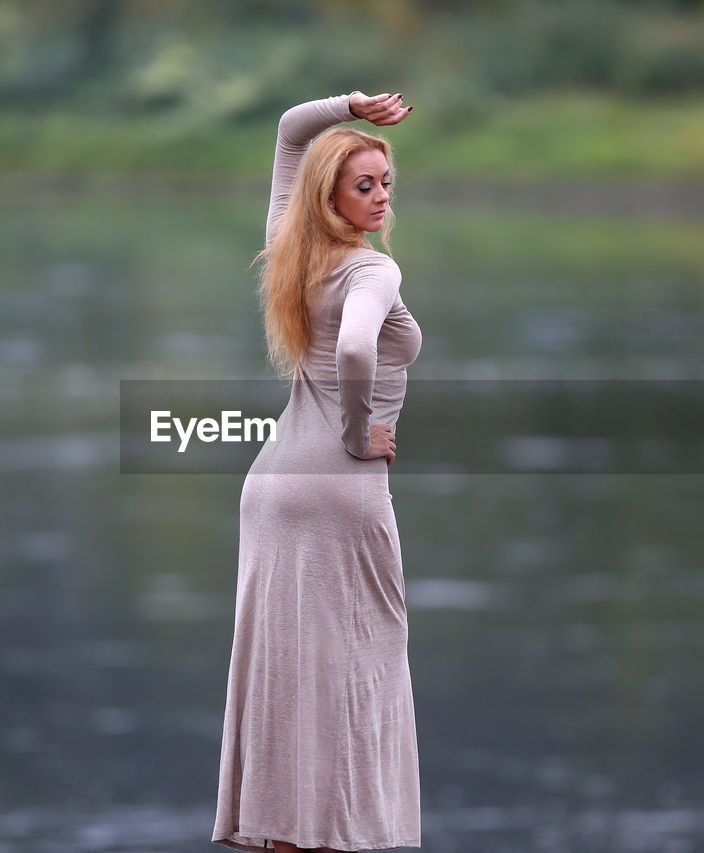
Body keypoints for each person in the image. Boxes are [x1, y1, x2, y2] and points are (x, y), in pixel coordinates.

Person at [212, 90, 422, 853]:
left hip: (270, 488)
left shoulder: (288, 246)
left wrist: (348, 107)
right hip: (339, 487)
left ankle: (285, 839)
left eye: (385, 182)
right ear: (330, 194)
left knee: (289, 678)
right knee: (357, 673)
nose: (379, 196)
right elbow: (359, 351)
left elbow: (287, 130)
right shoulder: (371, 273)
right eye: (363, 184)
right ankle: (337, 837)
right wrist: (360, 431)